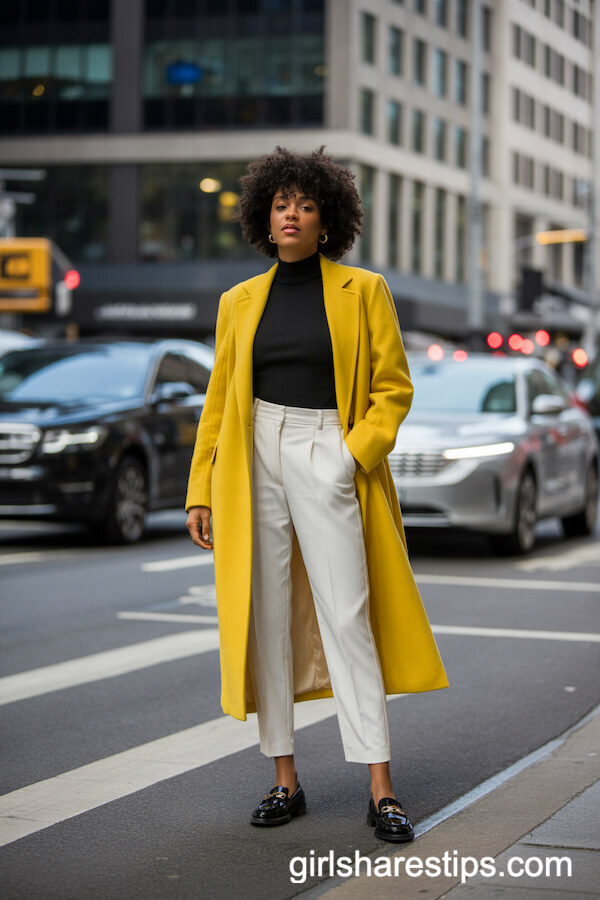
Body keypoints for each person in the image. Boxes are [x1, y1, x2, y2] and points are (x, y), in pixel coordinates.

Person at [186, 146, 448, 841]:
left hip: (328, 445)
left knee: (347, 613)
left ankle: (381, 786)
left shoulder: (363, 290)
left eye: (305, 204)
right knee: (264, 617)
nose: (293, 214)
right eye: (281, 204)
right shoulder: (238, 303)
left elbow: (393, 388)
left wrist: (350, 455)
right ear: (264, 219)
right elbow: (218, 403)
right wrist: (199, 489)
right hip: (252, 455)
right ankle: (284, 780)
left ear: (326, 221)